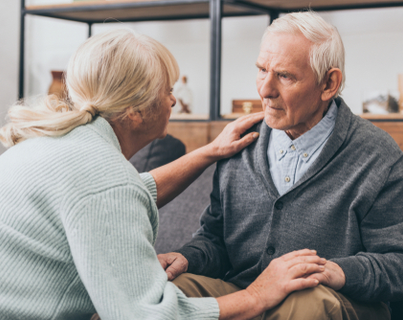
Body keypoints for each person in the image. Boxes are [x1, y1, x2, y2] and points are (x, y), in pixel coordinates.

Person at [0, 29, 328, 320]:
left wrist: (209, 151)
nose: (173, 100)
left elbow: (131, 192)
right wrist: (257, 295)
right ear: (136, 110)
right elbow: (146, 316)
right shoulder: (106, 183)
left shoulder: (53, 146)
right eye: (166, 90)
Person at [158, 11, 403, 319]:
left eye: (285, 76)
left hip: (332, 300)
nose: (265, 90)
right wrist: (186, 257)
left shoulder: (377, 155)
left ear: (329, 83)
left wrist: (337, 271)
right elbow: (215, 240)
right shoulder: (239, 142)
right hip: (244, 294)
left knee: (305, 299)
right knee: (166, 290)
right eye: (261, 70)